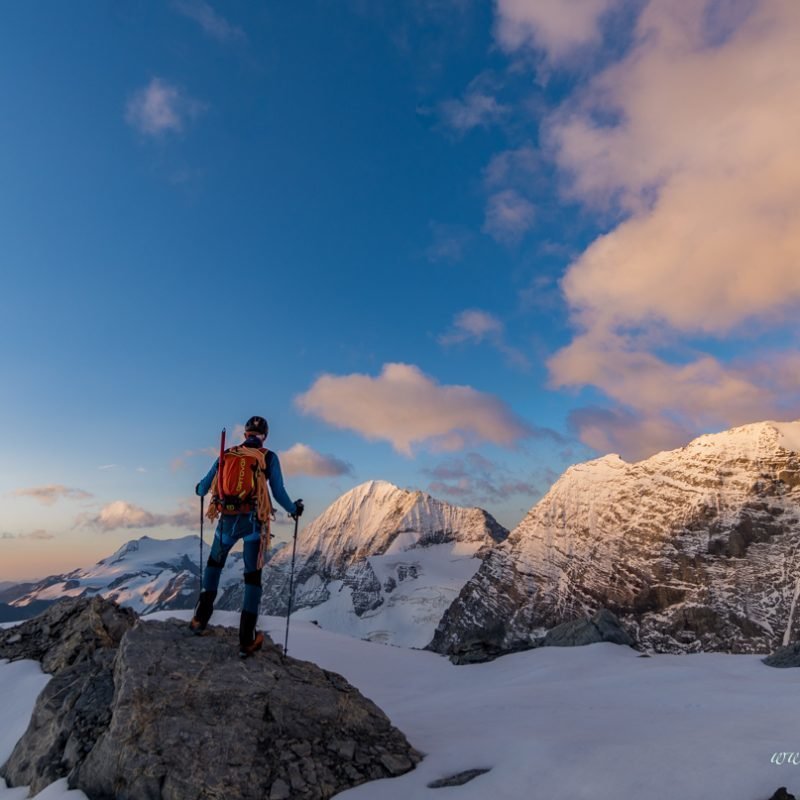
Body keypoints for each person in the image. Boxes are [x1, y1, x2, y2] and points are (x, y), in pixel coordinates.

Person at [190, 415, 304, 656]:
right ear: (264, 436)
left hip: (226, 521)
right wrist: (294, 510)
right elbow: (279, 491)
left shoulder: (227, 454)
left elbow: (202, 488)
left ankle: (199, 621)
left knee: (213, 566)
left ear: (245, 434)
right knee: (252, 579)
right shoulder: (267, 457)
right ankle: (246, 640)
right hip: (253, 522)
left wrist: (202, 489)